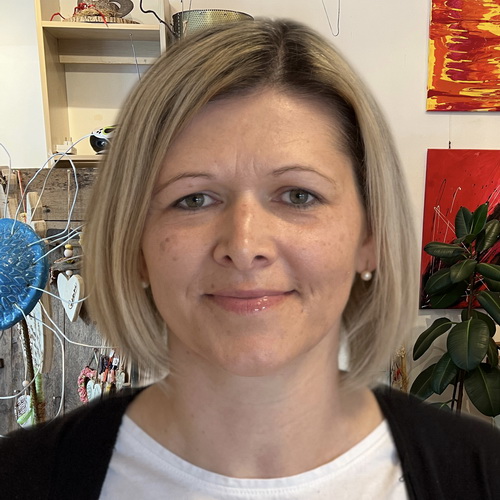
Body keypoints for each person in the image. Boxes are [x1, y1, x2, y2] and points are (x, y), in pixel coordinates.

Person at [2, 18, 500, 500]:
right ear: (135, 243)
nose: (243, 246)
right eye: (193, 199)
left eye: (299, 196)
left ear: (369, 235)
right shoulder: (20, 479)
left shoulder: (482, 475)